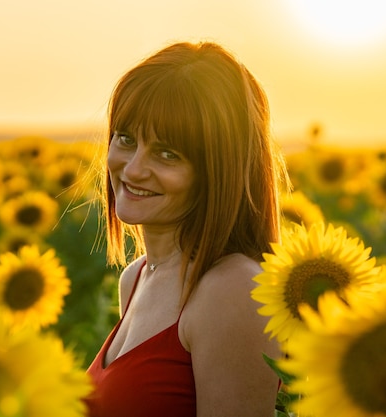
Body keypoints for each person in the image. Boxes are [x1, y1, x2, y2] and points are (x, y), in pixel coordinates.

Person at [85, 40, 288, 417]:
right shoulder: (136, 278)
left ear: (217, 171)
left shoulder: (233, 289)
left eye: (167, 153)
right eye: (126, 139)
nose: (132, 170)